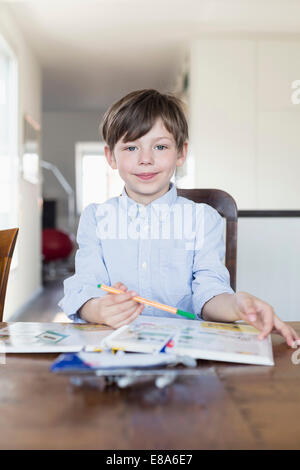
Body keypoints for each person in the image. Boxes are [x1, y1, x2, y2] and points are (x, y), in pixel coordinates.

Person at [59, 89, 299, 347]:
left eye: (160, 146)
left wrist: (238, 305)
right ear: (110, 156)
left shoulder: (203, 219)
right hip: (112, 346)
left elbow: (210, 292)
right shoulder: (96, 218)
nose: (146, 159)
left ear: (181, 153)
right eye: (131, 147)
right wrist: (98, 309)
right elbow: (84, 286)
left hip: (185, 351)